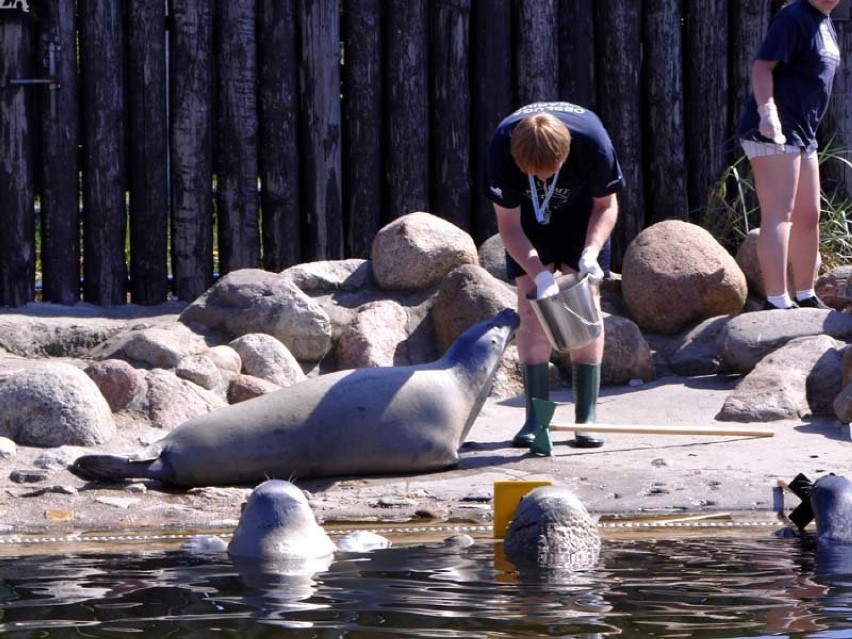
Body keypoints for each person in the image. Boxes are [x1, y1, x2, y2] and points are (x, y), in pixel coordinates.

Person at [484, 101, 625, 449]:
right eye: (534, 172)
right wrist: (539, 276)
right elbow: (509, 226)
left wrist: (591, 252)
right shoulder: (501, 149)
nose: (543, 178)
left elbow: (607, 206)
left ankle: (585, 416)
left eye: (550, 170)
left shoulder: (592, 141)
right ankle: (537, 418)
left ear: (566, 152)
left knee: (586, 303)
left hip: (583, 218)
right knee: (531, 308)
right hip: (530, 223)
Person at [737, 0, 841, 310]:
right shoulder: (793, 16)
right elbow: (762, 66)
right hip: (774, 130)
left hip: (802, 133)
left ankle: (805, 294)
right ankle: (777, 300)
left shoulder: (825, 21)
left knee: (809, 215)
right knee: (779, 212)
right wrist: (767, 112)